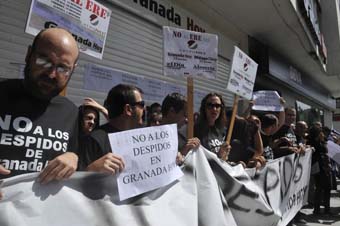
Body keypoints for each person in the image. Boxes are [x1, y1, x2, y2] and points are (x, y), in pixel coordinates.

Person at [0, 28, 79, 191]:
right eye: (44, 61)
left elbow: (73, 155)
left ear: (73, 71)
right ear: (29, 55)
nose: (52, 74)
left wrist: (73, 157)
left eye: (63, 68)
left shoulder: (70, 112)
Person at [78, 84, 144, 173]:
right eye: (141, 104)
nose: (144, 109)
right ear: (128, 109)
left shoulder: (142, 138)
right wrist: (92, 169)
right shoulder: (96, 140)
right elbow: (78, 180)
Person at [161, 93, 200, 158]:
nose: (187, 120)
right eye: (185, 115)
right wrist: (182, 152)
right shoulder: (150, 138)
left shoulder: (182, 139)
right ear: (172, 111)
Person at [194, 93, 229, 161]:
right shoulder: (195, 129)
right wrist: (218, 155)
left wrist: (225, 155)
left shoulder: (222, 130)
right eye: (210, 105)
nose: (214, 109)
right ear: (204, 108)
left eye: (218, 105)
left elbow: (223, 158)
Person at [307, 125, 332, 215]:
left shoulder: (321, 141)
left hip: (323, 166)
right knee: (322, 188)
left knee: (323, 188)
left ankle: (322, 209)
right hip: (320, 166)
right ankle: (322, 209)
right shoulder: (313, 142)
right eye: (320, 131)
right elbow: (321, 152)